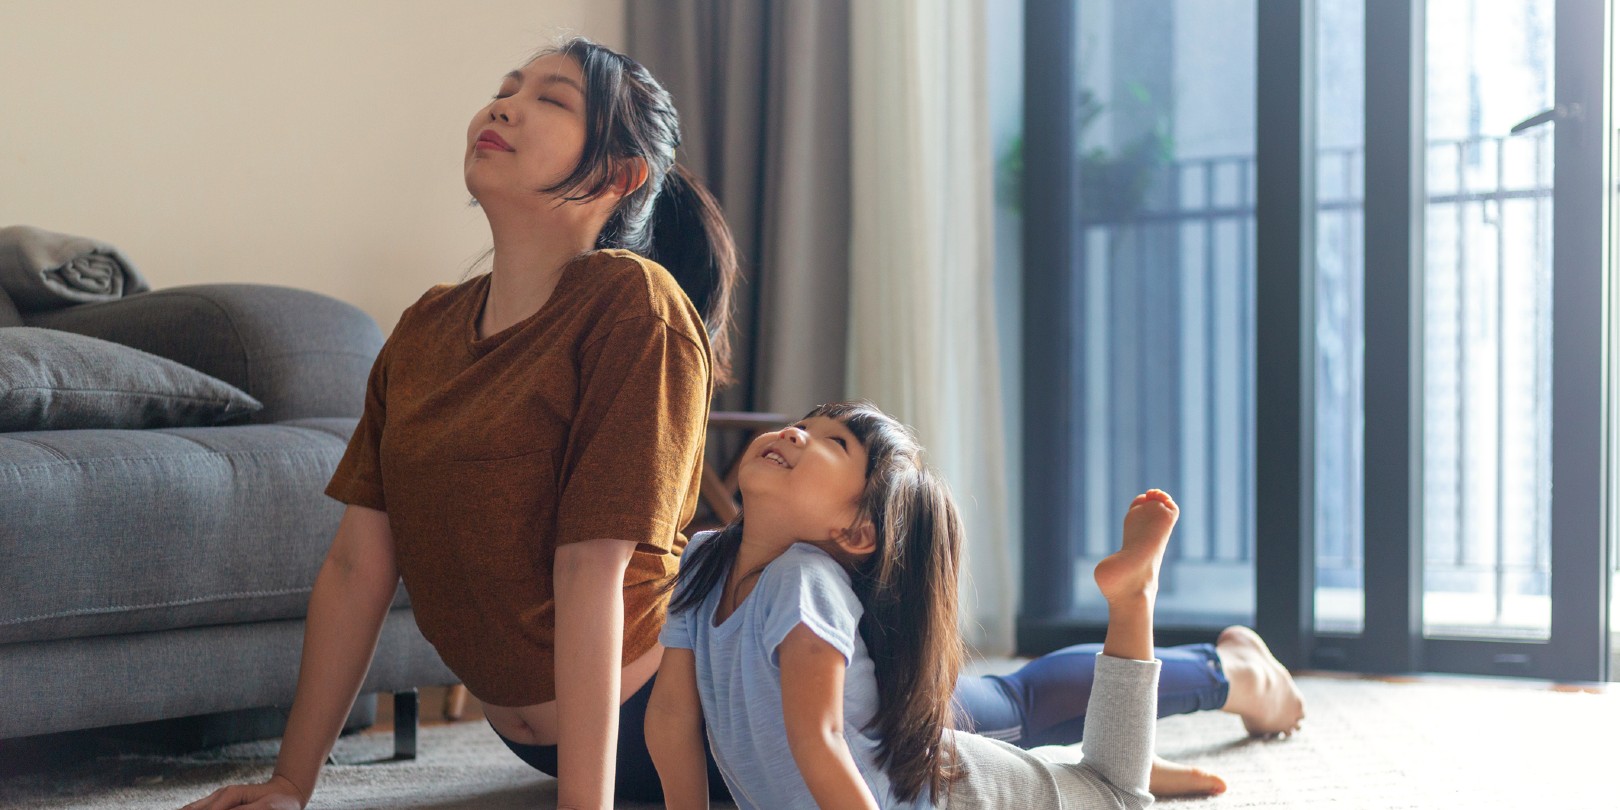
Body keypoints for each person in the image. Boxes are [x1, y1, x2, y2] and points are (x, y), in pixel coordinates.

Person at [183, 37, 1299, 810]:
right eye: (506, 85)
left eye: (549, 99)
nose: (505, 104)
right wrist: (294, 780)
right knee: (972, 720)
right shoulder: (425, 329)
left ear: (613, 175)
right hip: (559, 738)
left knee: (960, 717)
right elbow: (354, 568)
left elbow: (593, 569)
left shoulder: (632, 306)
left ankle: (1224, 669)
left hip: (705, 691)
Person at [647, 401, 1189, 808]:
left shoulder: (801, 580)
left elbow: (821, 735)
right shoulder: (704, 558)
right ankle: (1072, 762)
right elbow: (671, 716)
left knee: (1117, 795)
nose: (795, 432)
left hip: (953, 796)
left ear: (859, 531)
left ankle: (1133, 597)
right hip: (921, 773)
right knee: (1088, 779)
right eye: (804, 425)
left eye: (833, 443)